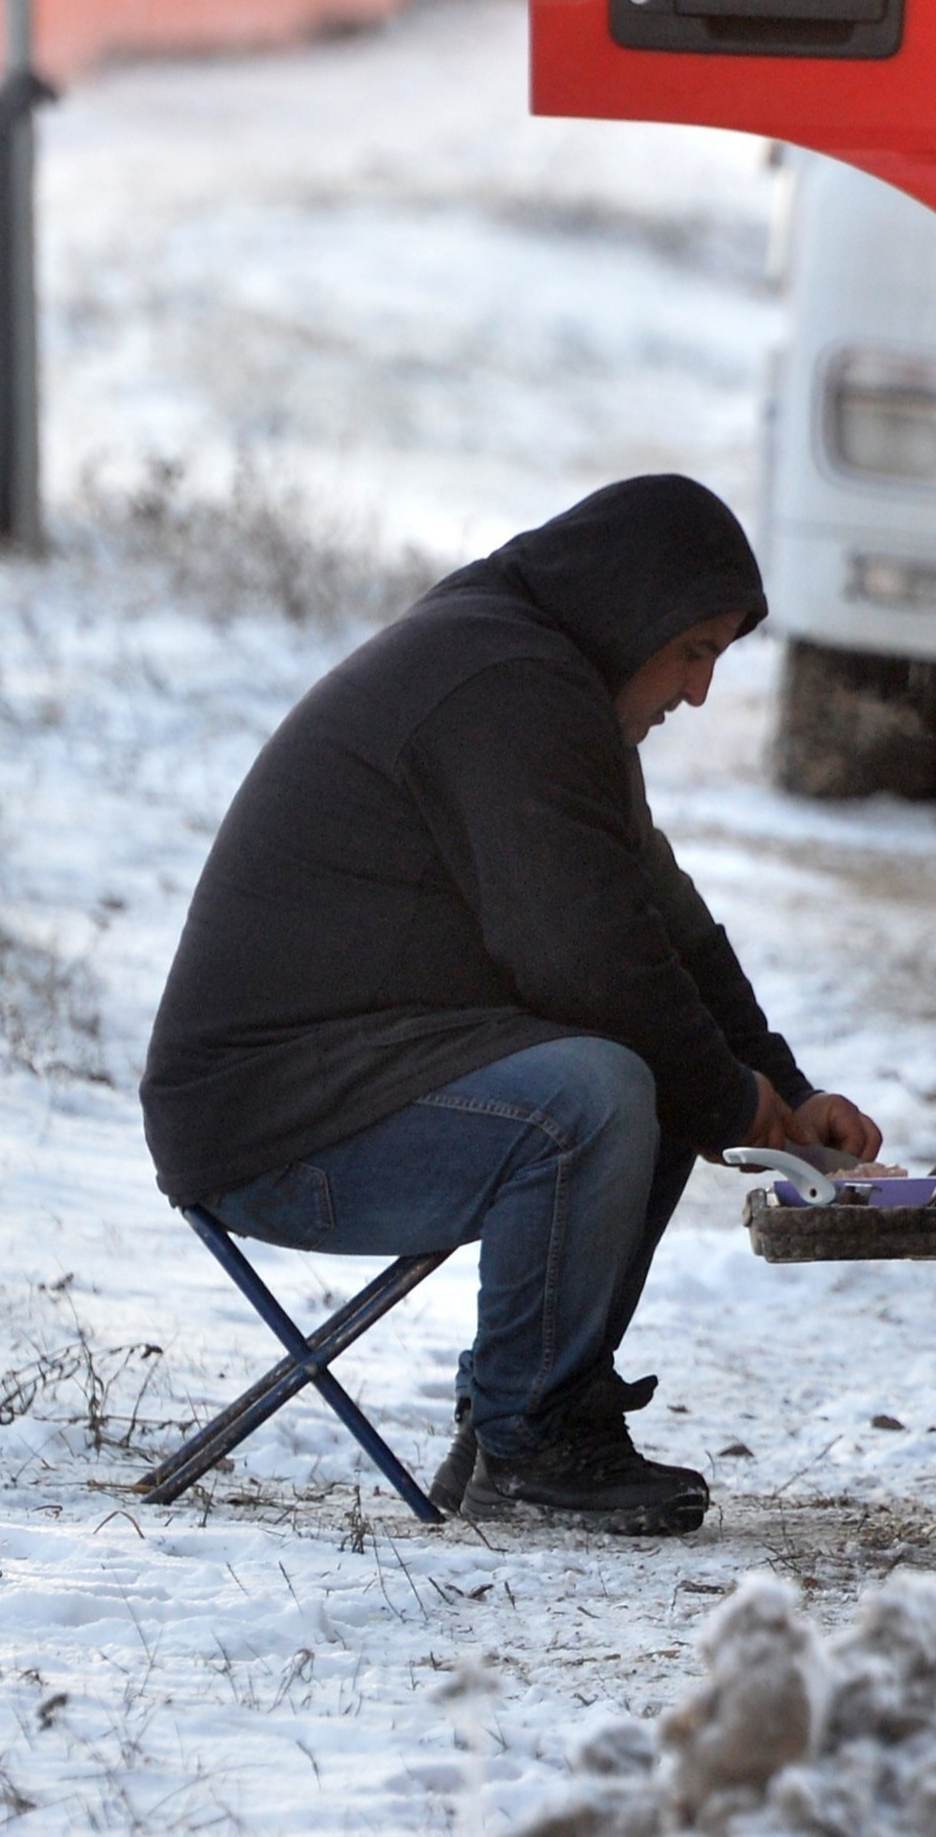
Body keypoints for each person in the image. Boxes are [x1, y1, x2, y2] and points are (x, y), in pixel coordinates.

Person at [141, 475, 880, 1536]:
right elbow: (586, 960)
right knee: (599, 1087)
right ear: (633, 610)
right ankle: (532, 1437)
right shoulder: (506, 687)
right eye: (696, 650)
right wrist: (735, 1101)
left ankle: (543, 1405)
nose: (701, 691)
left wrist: (783, 1093)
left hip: (352, 1088)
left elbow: (661, 925)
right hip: (270, 1128)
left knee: (651, 1072)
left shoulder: (545, 683)